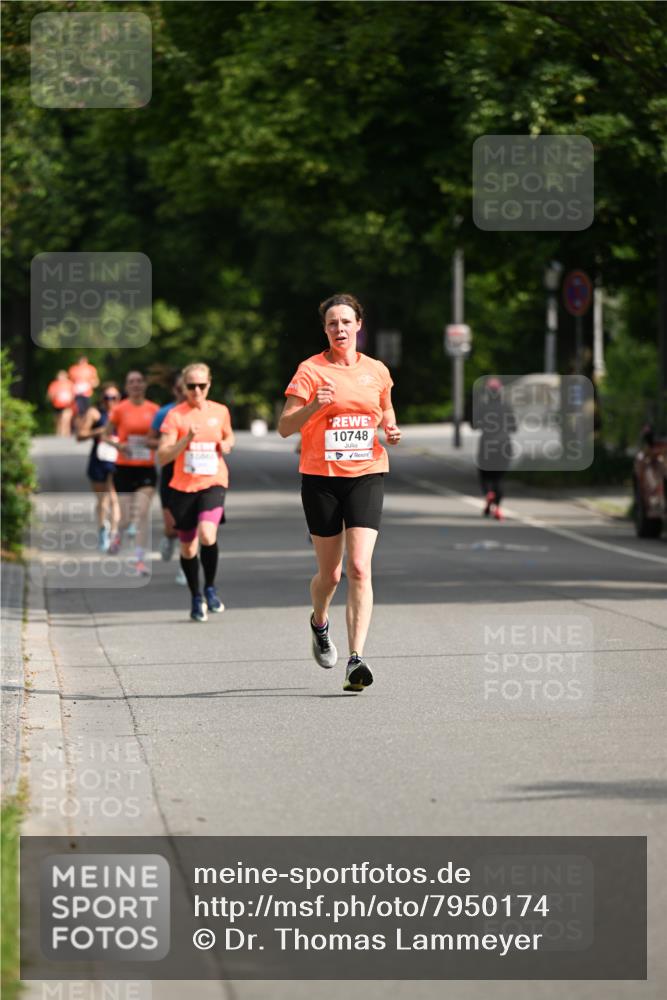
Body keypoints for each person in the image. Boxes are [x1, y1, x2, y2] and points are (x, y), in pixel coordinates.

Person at [278, 293, 401, 693]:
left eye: (346, 322)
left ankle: (355, 659)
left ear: (358, 325)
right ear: (325, 329)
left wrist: (392, 430)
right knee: (330, 575)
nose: (340, 329)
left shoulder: (377, 371)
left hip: (367, 473)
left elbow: (385, 411)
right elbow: (284, 426)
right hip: (321, 478)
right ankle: (319, 621)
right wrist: (313, 406)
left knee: (360, 568)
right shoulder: (310, 370)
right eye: (332, 323)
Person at [158, 363, 235, 621]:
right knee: (188, 548)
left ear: (209, 384)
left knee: (207, 533)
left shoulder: (220, 411)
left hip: (214, 481)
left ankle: (210, 588)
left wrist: (227, 444)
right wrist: (185, 440)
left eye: (202, 385)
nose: (197, 390)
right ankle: (196, 596)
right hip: (183, 487)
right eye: (191, 386)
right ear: (183, 387)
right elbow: (162, 455)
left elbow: (229, 436)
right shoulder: (175, 416)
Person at [104, 371, 159, 575]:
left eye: (139, 381)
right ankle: (117, 533)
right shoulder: (120, 409)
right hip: (125, 468)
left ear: (145, 385)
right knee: (126, 518)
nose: (136, 385)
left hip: (146, 467)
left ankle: (139, 560)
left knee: (142, 513)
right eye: (131, 382)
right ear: (126, 387)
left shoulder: (154, 409)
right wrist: (119, 445)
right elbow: (105, 434)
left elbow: (165, 436)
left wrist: (155, 443)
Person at [147, 371, 187, 584]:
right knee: (172, 525)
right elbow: (149, 440)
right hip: (170, 470)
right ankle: (169, 538)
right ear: (174, 390)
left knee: (188, 522)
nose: (184, 392)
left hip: (193, 473)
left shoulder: (201, 412)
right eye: (180, 389)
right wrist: (170, 445)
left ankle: (185, 566)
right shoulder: (165, 413)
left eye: (187, 387)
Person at [77, 382, 121, 552]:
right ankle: (103, 528)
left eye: (114, 398)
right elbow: (80, 435)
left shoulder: (123, 412)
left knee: (114, 497)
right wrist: (100, 431)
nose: (111, 401)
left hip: (117, 459)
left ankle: (114, 534)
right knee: (102, 499)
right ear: (102, 399)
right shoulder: (95, 413)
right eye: (107, 398)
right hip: (99, 459)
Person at [472, 376, 516, 520]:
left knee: (484, 474)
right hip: (504, 445)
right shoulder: (507, 406)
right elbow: (514, 427)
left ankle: (488, 493)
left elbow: (474, 425)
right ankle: (497, 508)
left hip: (486, 444)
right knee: (499, 477)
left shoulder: (482, 407)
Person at [68, 355, 99, 427]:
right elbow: (70, 382)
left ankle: (86, 427)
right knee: (79, 411)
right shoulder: (73, 369)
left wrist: (93, 383)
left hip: (87, 393)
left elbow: (95, 380)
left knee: (87, 411)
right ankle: (79, 427)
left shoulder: (91, 369)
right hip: (77, 393)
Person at [46, 371, 75, 436]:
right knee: (57, 420)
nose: (61, 378)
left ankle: (66, 433)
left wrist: (71, 399)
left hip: (67, 405)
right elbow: (49, 395)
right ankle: (59, 433)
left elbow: (74, 394)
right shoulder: (54, 384)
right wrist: (54, 395)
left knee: (65, 419)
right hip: (57, 405)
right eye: (60, 376)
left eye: (63, 376)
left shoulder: (70, 384)